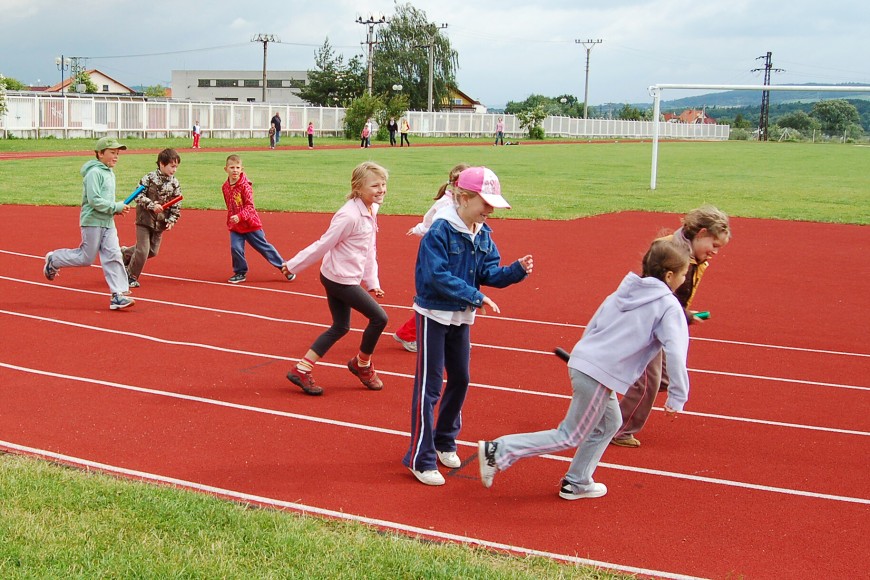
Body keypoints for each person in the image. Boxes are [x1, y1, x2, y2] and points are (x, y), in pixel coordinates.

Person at [478, 238, 692, 499]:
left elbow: (595, 324)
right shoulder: (668, 306)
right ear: (669, 275)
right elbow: (676, 350)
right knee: (569, 435)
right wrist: (678, 396)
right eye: (683, 274)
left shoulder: (624, 291)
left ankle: (577, 481)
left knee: (610, 423)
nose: (683, 280)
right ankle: (499, 450)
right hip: (599, 372)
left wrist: (581, 355)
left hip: (588, 363)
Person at [403, 166, 534, 486]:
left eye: (493, 204)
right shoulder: (440, 231)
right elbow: (436, 276)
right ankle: (420, 457)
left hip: (461, 317)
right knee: (429, 386)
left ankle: (446, 440)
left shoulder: (483, 233)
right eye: (485, 202)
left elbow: (490, 273)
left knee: (460, 379)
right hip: (434, 314)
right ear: (462, 197)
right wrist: (475, 296)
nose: (490, 209)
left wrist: (515, 271)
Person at [611, 205, 731, 448]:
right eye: (714, 246)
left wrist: (684, 315)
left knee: (663, 380)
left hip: (667, 317)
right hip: (648, 321)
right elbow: (656, 291)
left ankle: (607, 392)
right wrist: (681, 316)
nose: (715, 252)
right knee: (649, 382)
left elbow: (676, 295)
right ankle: (618, 429)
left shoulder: (695, 255)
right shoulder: (670, 251)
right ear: (702, 233)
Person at [282, 162, 390, 396]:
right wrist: (293, 265)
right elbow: (323, 244)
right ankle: (362, 365)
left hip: (339, 275)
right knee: (379, 318)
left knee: (341, 326)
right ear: (358, 188)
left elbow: (370, 247)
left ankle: (301, 369)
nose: (381, 189)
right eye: (375, 185)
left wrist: (373, 282)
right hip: (340, 279)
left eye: (383, 184)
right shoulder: (348, 216)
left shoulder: (372, 209)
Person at [43, 137, 134, 310]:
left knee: (114, 254)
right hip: (92, 221)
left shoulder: (109, 172)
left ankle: (118, 294)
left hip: (108, 222)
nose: (116, 157)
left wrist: (115, 209)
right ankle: (54, 259)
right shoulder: (94, 173)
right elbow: (94, 200)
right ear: (100, 153)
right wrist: (115, 206)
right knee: (86, 257)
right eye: (112, 153)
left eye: (118, 153)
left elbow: (105, 201)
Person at [393, 162, 470, 353]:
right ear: (453, 184)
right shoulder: (446, 203)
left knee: (453, 296)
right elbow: (431, 224)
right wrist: (419, 229)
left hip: (456, 255)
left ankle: (453, 337)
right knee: (440, 298)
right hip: (441, 256)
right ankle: (408, 333)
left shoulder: (465, 202)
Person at [221, 154, 295, 284]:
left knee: (264, 248)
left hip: (250, 225)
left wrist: (239, 216)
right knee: (235, 248)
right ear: (225, 169)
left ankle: (285, 268)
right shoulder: (225, 187)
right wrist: (232, 219)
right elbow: (229, 205)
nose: (235, 170)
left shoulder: (245, 186)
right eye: (232, 167)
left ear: (242, 169)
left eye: (237, 167)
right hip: (236, 226)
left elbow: (250, 207)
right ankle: (240, 272)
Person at [121, 148, 182, 289]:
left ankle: (125, 253)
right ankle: (130, 276)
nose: (174, 170)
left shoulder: (175, 183)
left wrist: (172, 220)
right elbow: (137, 195)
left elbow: (176, 203)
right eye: (172, 166)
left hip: (160, 222)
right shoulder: (149, 178)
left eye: (176, 167)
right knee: (142, 250)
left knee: (152, 251)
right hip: (144, 219)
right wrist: (151, 205)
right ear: (162, 163)